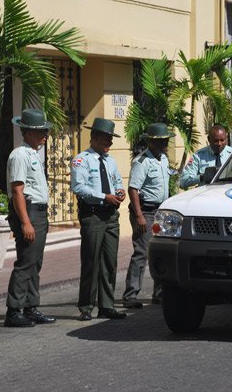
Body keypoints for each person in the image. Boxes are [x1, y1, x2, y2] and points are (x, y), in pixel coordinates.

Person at [71, 118, 127, 321]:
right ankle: (86, 307)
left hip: (111, 215)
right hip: (93, 214)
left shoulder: (110, 160)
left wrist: (120, 193)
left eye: (111, 139)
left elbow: (117, 181)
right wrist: (105, 196)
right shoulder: (82, 160)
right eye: (106, 139)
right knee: (91, 261)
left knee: (109, 262)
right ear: (94, 137)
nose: (109, 143)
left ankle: (107, 305)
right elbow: (79, 187)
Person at [4, 109, 56, 328]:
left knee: (35, 262)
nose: (45, 135)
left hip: (38, 213)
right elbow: (17, 191)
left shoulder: (33, 153)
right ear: (28, 133)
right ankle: (14, 310)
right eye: (40, 131)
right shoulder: (20, 155)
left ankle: (31, 306)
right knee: (26, 262)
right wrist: (25, 221)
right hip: (29, 211)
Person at [122, 123, 174, 309]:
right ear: (151, 141)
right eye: (161, 141)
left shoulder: (163, 159)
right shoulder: (141, 161)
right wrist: (139, 216)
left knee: (160, 252)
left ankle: (159, 294)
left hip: (161, 211)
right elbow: (133, 189)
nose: (164, 144)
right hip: (145, 211)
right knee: (142, 253)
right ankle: (130, 295)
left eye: (166, 141)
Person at [179, 125, 232, 190]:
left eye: (222, 140)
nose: (219, 144)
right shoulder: (199, 156)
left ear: (226, 138)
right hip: (206, 196)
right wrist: (202, 177)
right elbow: (183, 181)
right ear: (209, 139)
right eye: (216, 141)